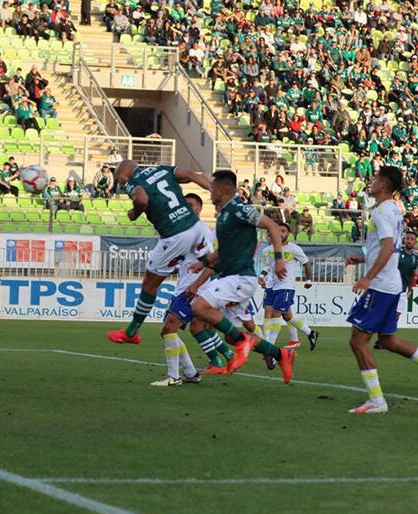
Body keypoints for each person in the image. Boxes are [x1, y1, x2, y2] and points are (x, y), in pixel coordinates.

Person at [344, 166, 418, 414]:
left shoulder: (383, 211)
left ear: (383, 184)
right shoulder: (394, 209)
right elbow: (389, 249)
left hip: (380, 285)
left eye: (374, 179)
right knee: (388, 340)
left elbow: (386, 248)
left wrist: (367, 278)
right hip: (391, 284)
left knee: (358, 341)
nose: (370, 183)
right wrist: (362, 261)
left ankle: (376, 400)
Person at [186, 170, 295, 383]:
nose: (209, 193)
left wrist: (279, 258)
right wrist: (203, 263)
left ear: (221, 190)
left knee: (199, 307)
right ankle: (281, 354)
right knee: (224, 332)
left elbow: (271, 225)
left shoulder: (239, 209)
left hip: (240, 278)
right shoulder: (225, 214)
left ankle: (242, 344)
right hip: (230, 277)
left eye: (212, 189)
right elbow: (223, 250)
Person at [106, 160, 211, 344]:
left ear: (125, 174)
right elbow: (193, 175)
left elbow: (141, 199)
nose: (120, 184)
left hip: (175, 235)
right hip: (197, 226)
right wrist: (219, 194)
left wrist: (135, 213)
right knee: (212, 263)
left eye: (119, 179)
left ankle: (131, 332)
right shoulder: (162, 169)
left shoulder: (133, 182)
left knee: (149, 285)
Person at [151, 193, 214, 386]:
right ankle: (190, 373)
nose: (188, 208)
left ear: (200, 208)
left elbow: (210, 259)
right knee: (168, 331)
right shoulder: (183, 232)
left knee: (169, 328)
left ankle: (174, 376)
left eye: (192, 205)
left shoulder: (201, 229)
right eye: (185, 205)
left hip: (192, 289)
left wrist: (196, 286)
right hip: (183, 288)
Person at [259, 222, 318, 358]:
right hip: (272, 286)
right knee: (287, 316)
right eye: (278, 231)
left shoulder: (294, 248)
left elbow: (306, 263)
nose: (280, 234)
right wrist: (262, 276)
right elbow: (268, 266)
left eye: (283, 231)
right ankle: (311, 333)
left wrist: (308, 279)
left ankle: (269, 348)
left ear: (288, 233)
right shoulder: (267, 250)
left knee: (275, 313)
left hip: (286, 286)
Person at [374, 231, 418, 350]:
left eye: (412, 239)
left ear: (415, 242)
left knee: (395, 316)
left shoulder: (415, 258)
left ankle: (382, 340)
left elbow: (411, 275)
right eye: (407, 238)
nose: (409, 240)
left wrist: (410, 289)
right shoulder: (397, 253)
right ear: (404, 240)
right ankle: (381, 339)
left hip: (403, 291)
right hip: (391, 289)